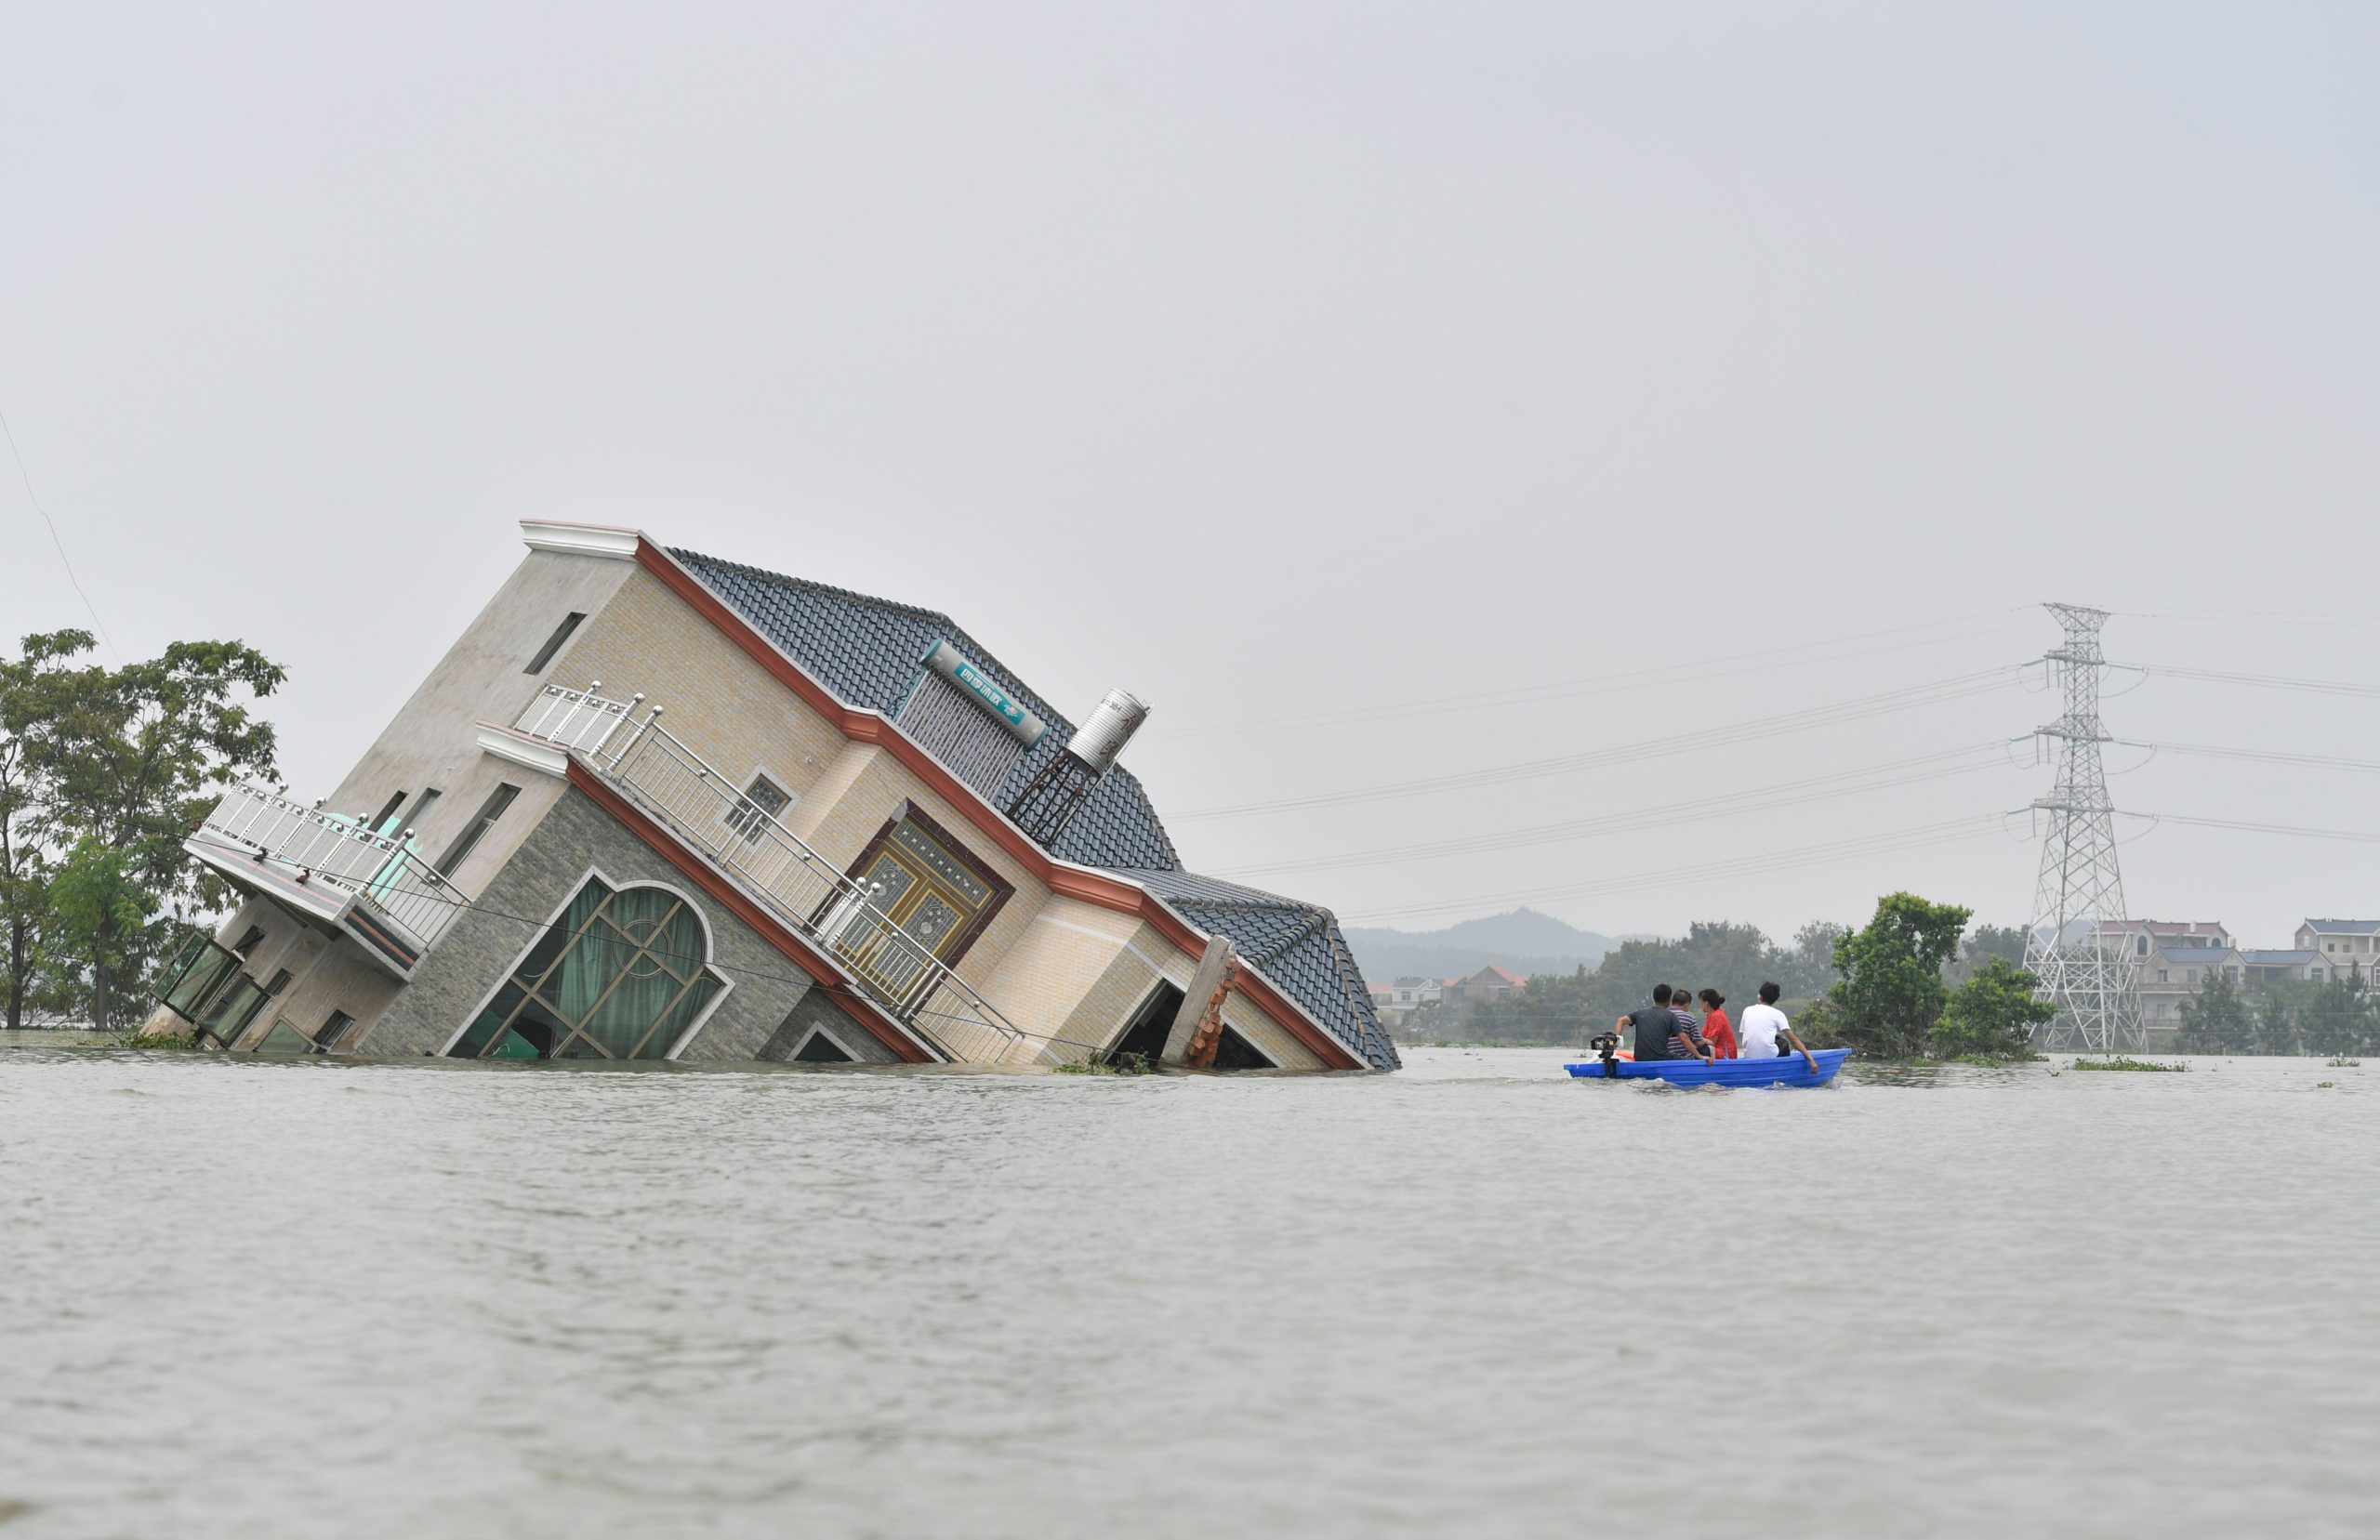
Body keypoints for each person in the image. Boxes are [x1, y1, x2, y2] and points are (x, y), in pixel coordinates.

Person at [1616, 983, 1714, 1064]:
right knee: (1690, 1055)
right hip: (1661, 1058)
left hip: (1639, 1058)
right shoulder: (1670, 1016)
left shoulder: (1639, 1013)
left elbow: (1621, 1020)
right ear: (1669, 1000)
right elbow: (1684, 1039)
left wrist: (1617, 1043)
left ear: (1654, 997)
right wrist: (1700, 1056)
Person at [1739, 981, 1818, 1072]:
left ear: (1760, 997)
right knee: (1783, 1043)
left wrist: (1773, 1035)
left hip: (1748, 1056)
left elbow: (1750, 1033)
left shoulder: (1747, 1010)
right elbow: (1794, 1040)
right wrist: (1811, 1060)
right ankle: (1782, 1071)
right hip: (1769, 1056)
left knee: (1777, 1040)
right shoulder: (1778, 1014)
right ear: (1774, 1000)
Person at [1698, 989, 1738, 1059]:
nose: (1701, 1005)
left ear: (1706, 1003)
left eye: (1701, 1002)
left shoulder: (1716, 1016)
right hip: (1716, 1051)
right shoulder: (1711, 1015)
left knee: (1697, 1050)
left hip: (1725, 1054)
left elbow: (1711, 1042)